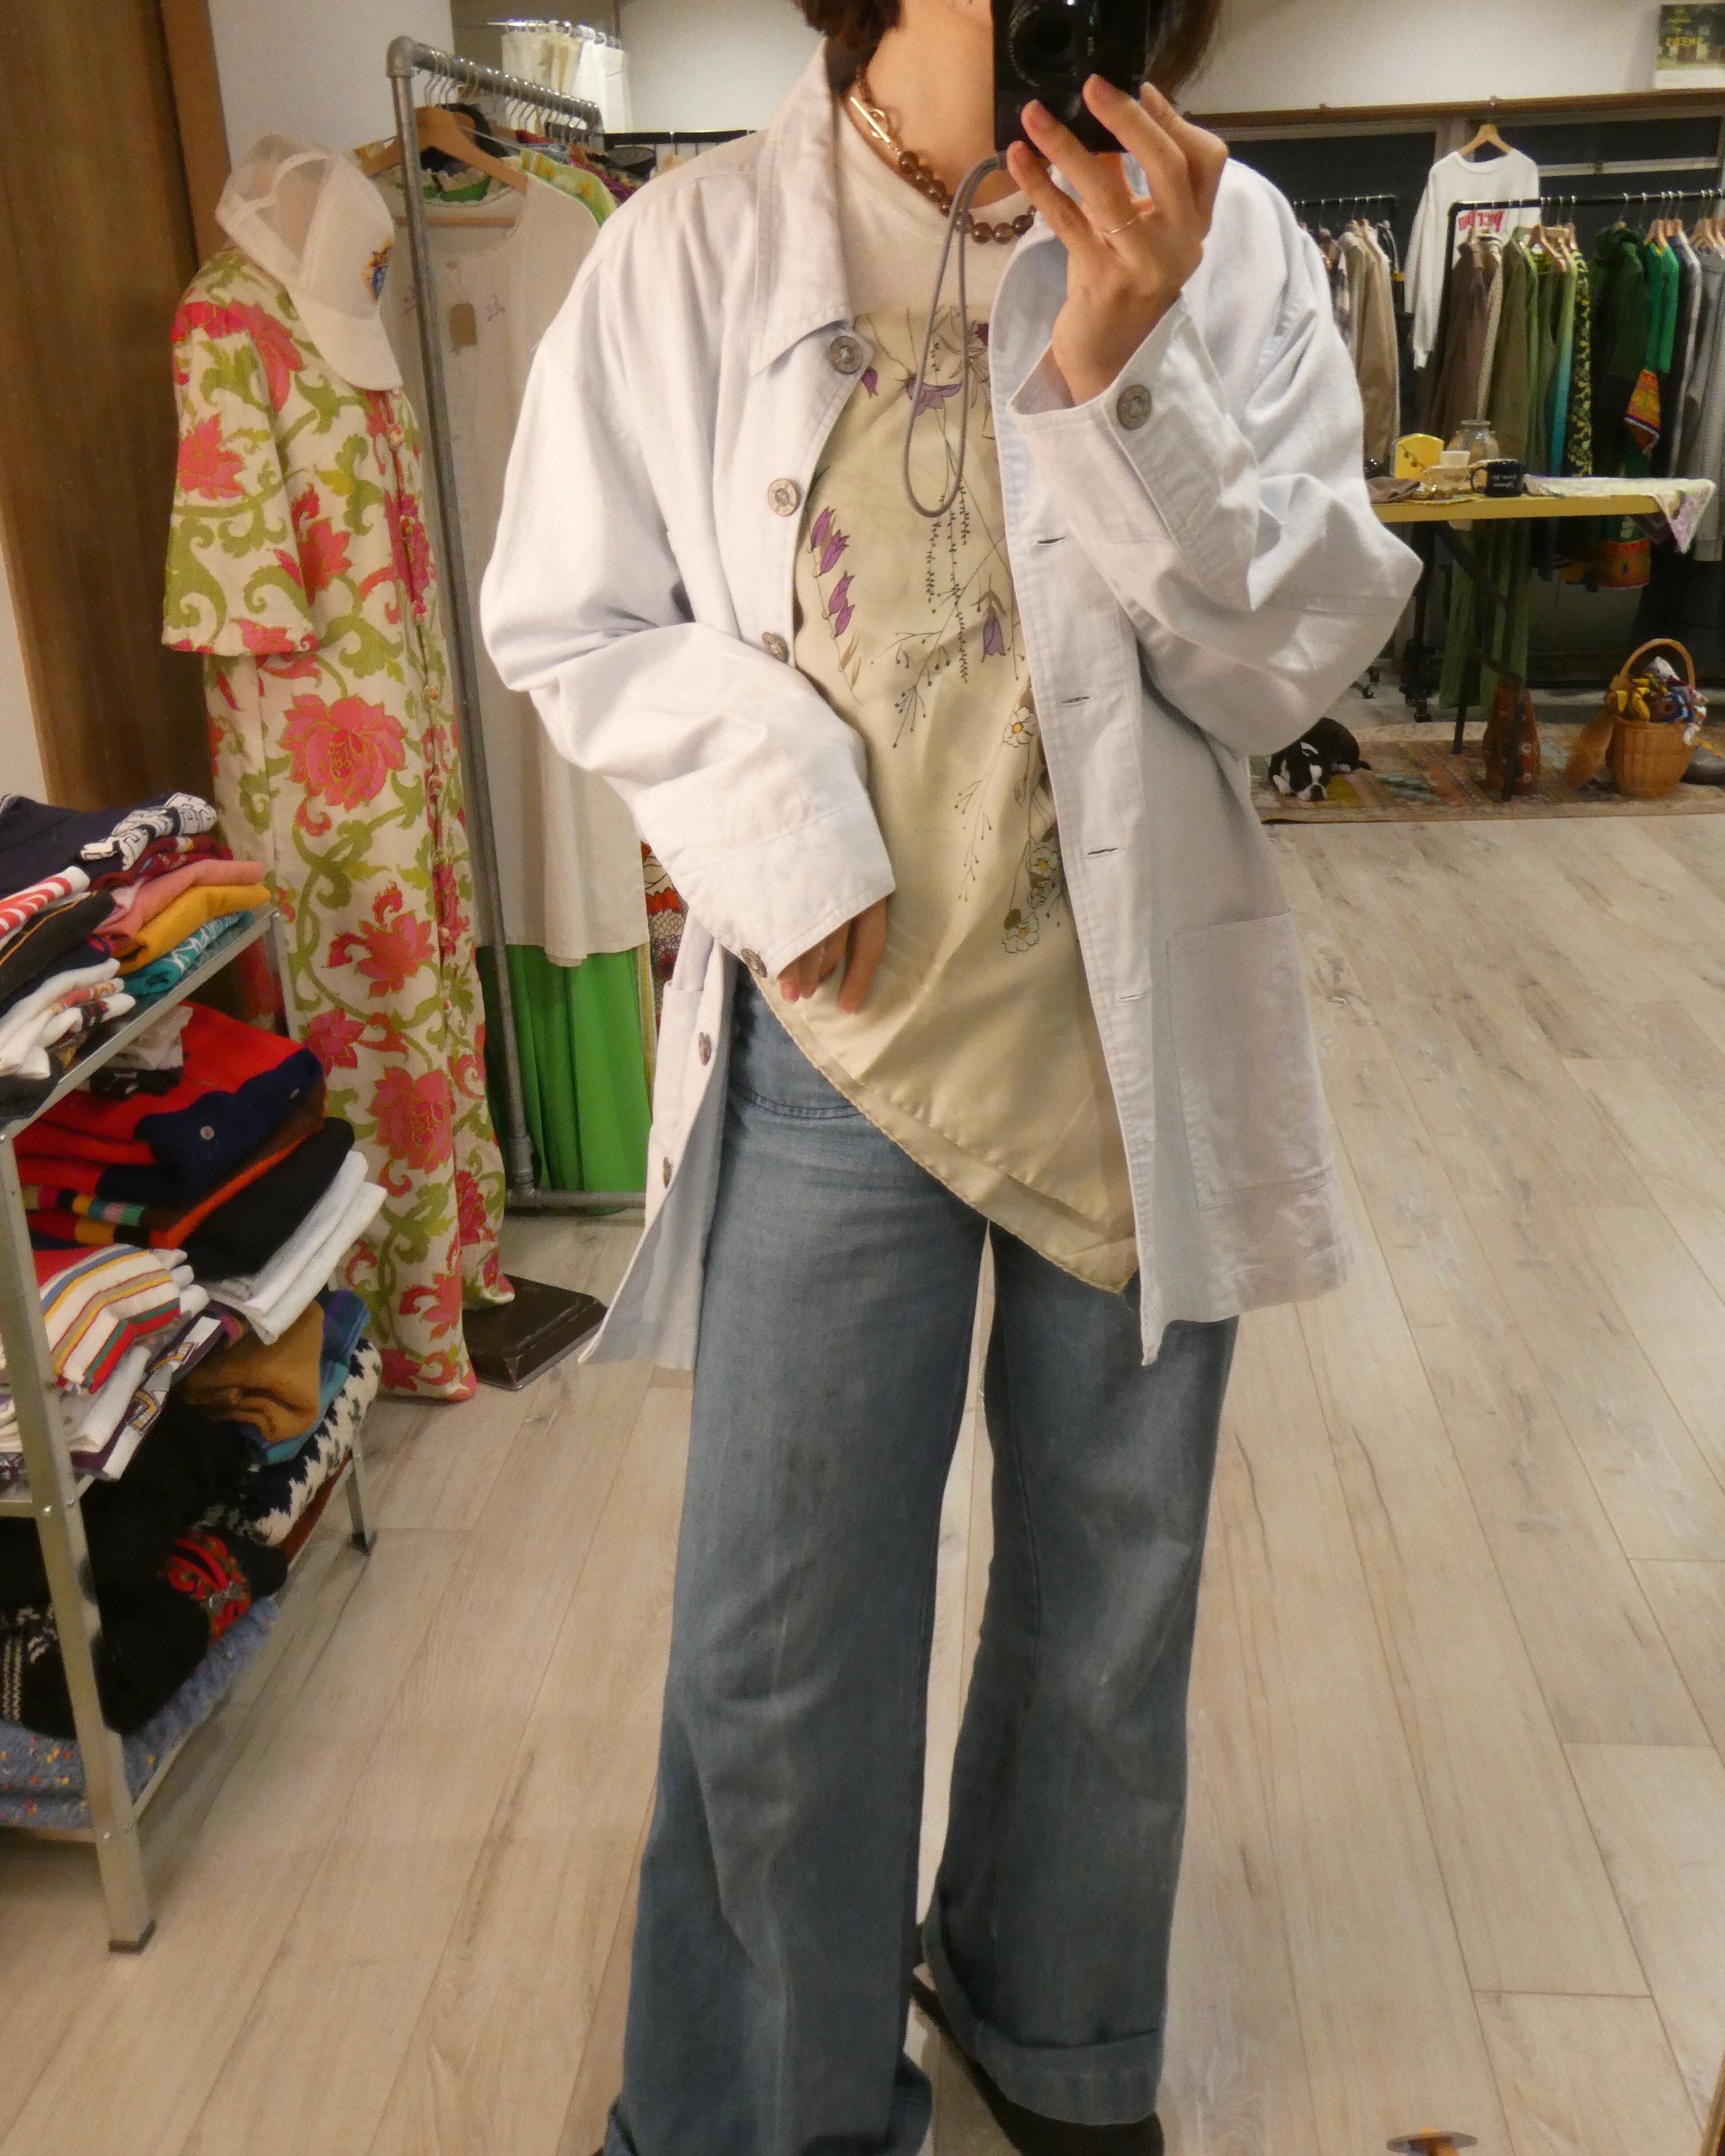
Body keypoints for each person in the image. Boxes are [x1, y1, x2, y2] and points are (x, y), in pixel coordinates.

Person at [484, 2, 1420, 2149]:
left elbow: (1282, 671)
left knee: (1113, 1589)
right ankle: (764, 2108)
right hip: (840, 1037)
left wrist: (1122, 368)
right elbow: (573, 614)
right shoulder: (693, 247)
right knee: (785, 1630)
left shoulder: (1230, 246)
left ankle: (1051, 2016)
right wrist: (778, 817)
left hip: (1130, 1030)